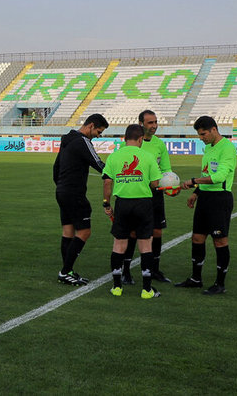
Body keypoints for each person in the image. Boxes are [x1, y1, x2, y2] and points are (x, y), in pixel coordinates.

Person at [176, 116, 237, 296]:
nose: (200, 138)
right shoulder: (208, 148)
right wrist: (196, 193)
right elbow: (207, 174)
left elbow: (219, 177)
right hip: (205, 199)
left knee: (219, 240)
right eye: (199, 135)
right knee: (197, 238)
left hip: (220, 199)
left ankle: (220, 283)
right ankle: (196, 278)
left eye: (203, 134)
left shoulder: (227, 148)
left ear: (213, 130)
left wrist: (193, 182)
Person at [103, 124, 163, 299]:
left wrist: (107, 204)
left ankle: (116, 287)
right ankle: (147, 290)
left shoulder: (114, 156)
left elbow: (107, 182)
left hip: (122, 204)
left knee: (119, 244)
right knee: (145, 245)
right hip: (143, 203)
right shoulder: (148, 156)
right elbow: (155, 184)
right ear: (140, 139)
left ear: (124, 138)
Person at [53, 113, 109, 285]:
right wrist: (119, 174)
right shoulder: (83, 141)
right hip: (74, 193)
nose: (99, 136)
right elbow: (99, 164)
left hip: (62, 191)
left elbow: (56, 167)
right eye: (99, 132)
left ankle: (67, 271)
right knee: (84, 232)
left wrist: (61, 185)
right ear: (91, 126)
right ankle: (64, 271)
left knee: (68, 231)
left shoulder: (67, 140)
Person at [121, 110, 174, 285]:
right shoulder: (133, 143)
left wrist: (170, 186)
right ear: (141, 123)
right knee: (134, 233)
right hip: (137, 193)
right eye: (150, 123)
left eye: (155, 122)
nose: (154, 126)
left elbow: (166, 169)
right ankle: (126, 271)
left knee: (157, 231)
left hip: (156, 193)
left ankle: (154, 270)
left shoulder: (159, 144)